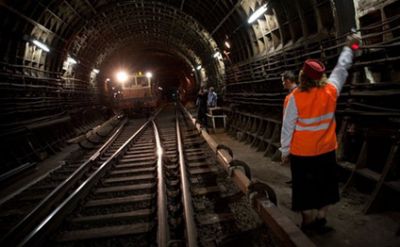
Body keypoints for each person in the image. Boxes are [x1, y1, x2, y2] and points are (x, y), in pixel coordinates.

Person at [279, 34, 360, 234]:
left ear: (302, 76)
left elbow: (288, 126)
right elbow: (342, 68)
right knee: (325, 186)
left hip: (302, 153)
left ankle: (308, 221)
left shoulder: (294, 97)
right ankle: (322, 218)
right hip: (326, 150)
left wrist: (285, 150)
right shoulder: (331, 90)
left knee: (304, 188)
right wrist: (351, 47)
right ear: (321, 76)